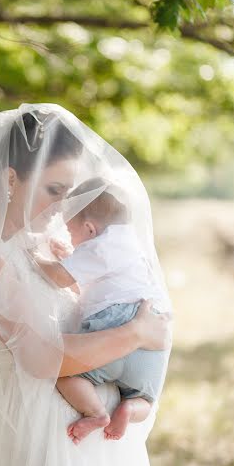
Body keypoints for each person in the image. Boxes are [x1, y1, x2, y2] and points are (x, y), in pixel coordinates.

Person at [0, 103, 172, 466]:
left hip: (96, 429)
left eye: (68, 192)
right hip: (46, 427)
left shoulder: (44, 248)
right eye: (55, 190)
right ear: (11, 180)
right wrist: (135, 334)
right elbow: (41, 358)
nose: (65, 207)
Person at [32, 177, 170, 446]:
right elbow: (97, 283)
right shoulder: (129, 244)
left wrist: (37, 258)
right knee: (146, 400)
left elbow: (59, 278)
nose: (71, 238)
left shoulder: (101, 244)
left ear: (90, 229)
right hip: (150, 344)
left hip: (113, 328)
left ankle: (95, 413)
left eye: (71, 232)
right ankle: (130, 410)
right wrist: (70, 256)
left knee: (63, 375)